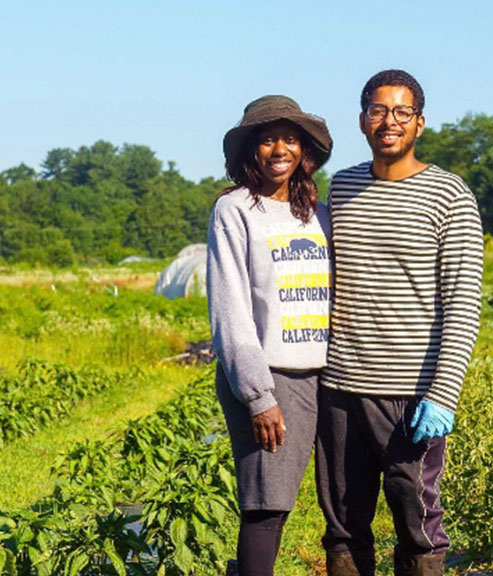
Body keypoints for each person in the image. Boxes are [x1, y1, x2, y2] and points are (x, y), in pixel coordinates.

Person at [316, 70, 484, 576]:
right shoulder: (342, 187)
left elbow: (463, 302)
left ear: (420, 123)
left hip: (410, 393)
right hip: (341, 386)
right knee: (344, 522)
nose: (389, 121)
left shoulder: (449, 195)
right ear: (363, 120)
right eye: (378, 110)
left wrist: (443, 392)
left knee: (419, 521)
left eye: (401, 112)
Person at [207, 95, 333, 576]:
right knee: (267, 507)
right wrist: (259, 396)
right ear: (250, 152)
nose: (278, 148)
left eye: (289, 138)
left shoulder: (317, 213)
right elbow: (230, 307)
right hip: (271, 377)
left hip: (327, 375)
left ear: (303, 150)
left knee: (342, 501)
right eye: (266, 139)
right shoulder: (236, 210)